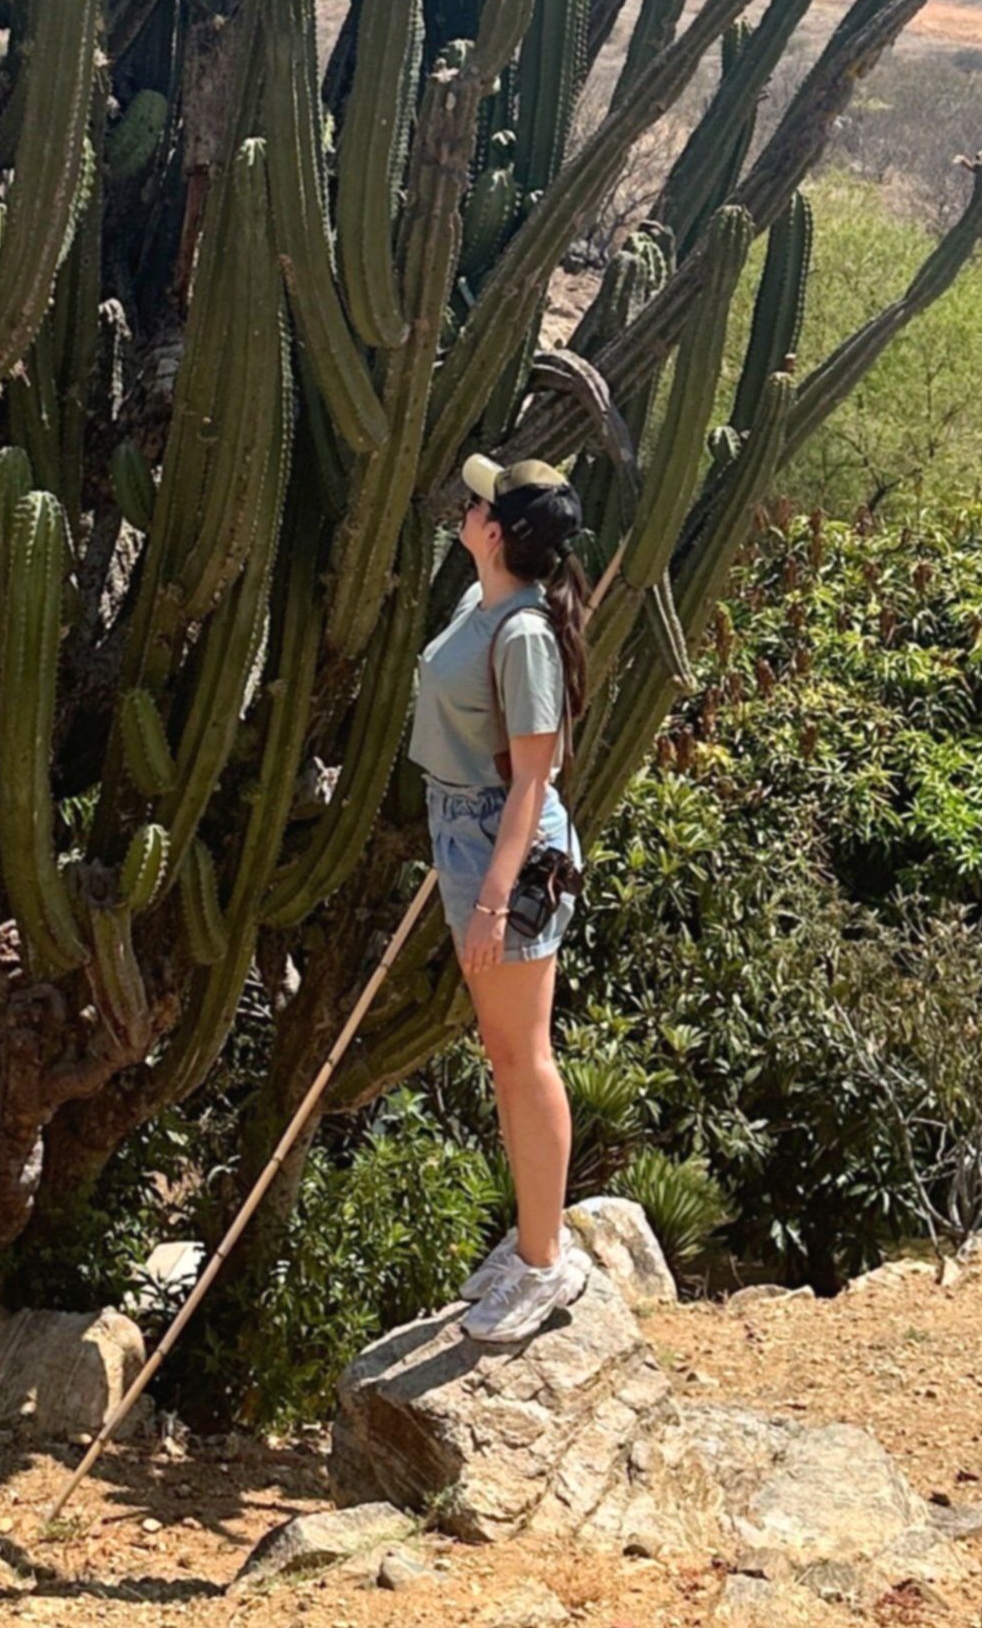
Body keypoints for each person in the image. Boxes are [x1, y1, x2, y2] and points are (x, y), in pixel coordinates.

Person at [409, 450, 591, 1344]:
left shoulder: (522, 635)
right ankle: (534, 1240)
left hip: (503, 851)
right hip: (465, 834)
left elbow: (531, 779)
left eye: (481, 503)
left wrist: (489, 897)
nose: (467, 504)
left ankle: (545, 1263)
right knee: (506, 1052)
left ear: (496, 532)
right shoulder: (480, 603)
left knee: (523, 1057)